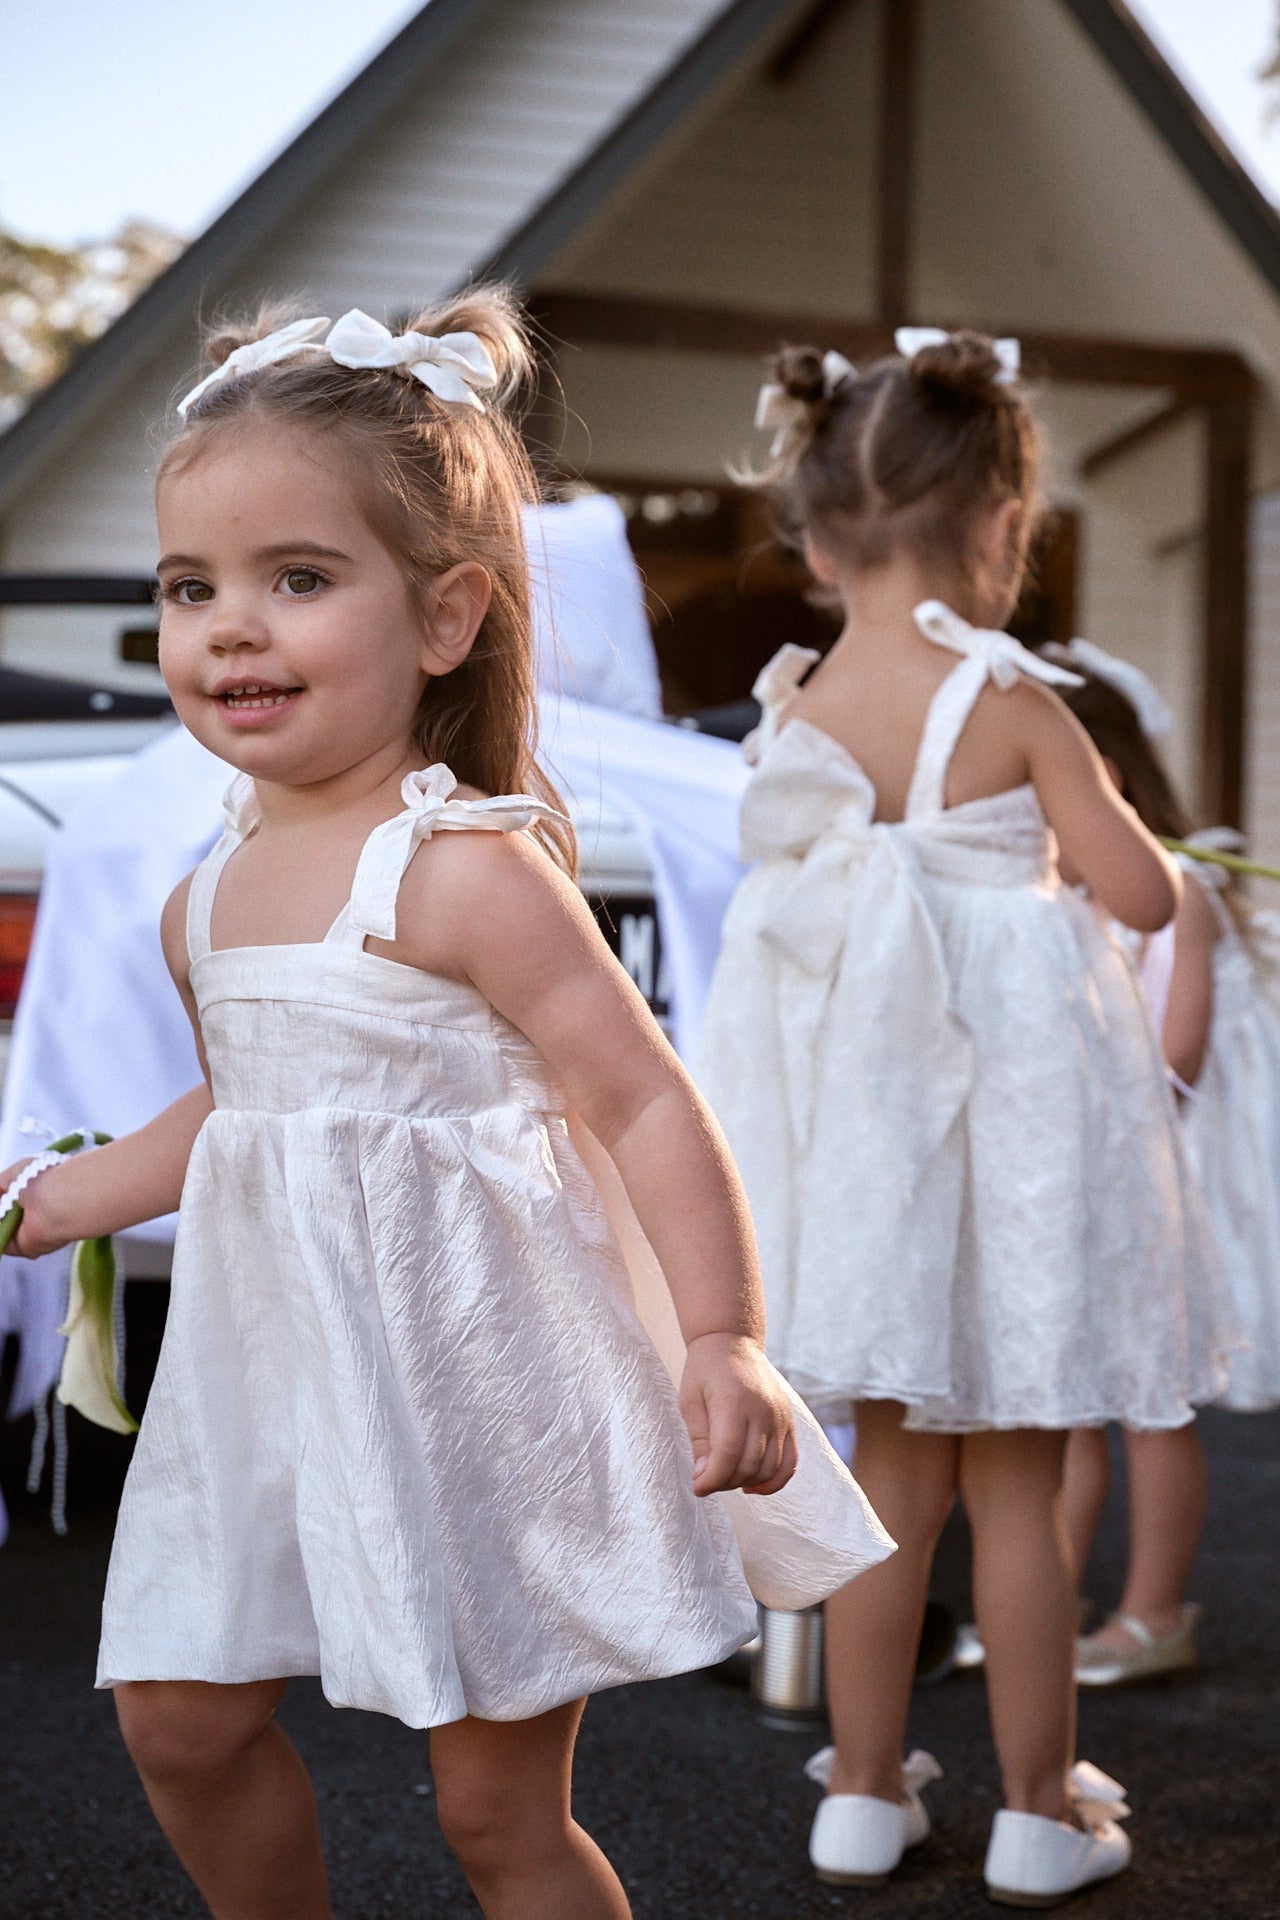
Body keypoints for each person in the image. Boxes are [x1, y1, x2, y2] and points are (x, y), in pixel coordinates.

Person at [0, 291, 891, 1920]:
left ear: (445, 616)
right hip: (263, 1383)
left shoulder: (466, 871)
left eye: (299, 579)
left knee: (496, 1817)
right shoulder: (205, 891)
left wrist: (721, 1335)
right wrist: (69, 1197)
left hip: (474, 1390)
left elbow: (645, 1107)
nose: (230, 628)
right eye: (192, 586)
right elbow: (241, 1106)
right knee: (179, 1722)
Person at [697, 328, 1233, 1906]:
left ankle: (860, 1797)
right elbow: (1137, 890)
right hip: (1005, 1165)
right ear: (1006, 527)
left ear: (810, 535)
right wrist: (1175, 872)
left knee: (889, 1486)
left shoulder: (791, 717)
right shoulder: (1011, 699)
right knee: (1019, 1489)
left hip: (869, 1164)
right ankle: (1036, 1811)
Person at [1057, 654, 1276, 1687]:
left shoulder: (1175, 893)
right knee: (1055, 1405)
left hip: (1148, 1174)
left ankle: (1153, 1611)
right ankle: (1043, 1599)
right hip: (1074, 1170)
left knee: (1149, 1401)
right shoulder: (1057, 893)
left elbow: (1171, 1064)